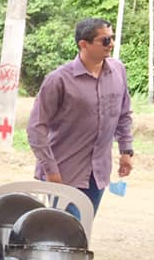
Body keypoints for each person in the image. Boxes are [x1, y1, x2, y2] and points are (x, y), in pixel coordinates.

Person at [26, 17, 133, 218]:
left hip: (98, 173)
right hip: (64, 173)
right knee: (66, 230)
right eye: (105, 40)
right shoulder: (59, 79)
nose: (111, 44)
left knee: (84, 229)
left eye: (112, 38)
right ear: (84, 44)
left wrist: (126, 150)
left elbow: (124, 113)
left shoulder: (118, 71)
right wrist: (51, 171)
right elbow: (36, 128)